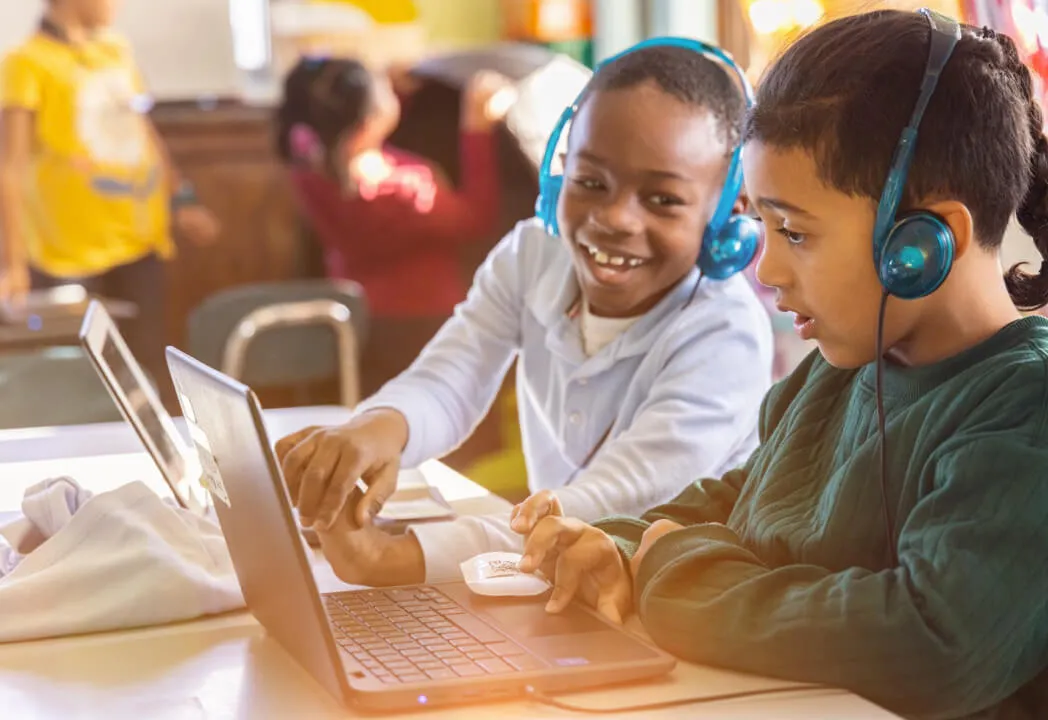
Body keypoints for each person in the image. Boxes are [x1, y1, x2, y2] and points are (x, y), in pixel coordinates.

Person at [513, 10, 1048, 720]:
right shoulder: (841, 369)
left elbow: (934, 640)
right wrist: (615, 545)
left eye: (795, 232)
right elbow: (745, 499)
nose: (768, 269)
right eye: (763, 227)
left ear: (922, 241)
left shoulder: (1023, 412)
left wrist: (668, 573)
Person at [275, 41, 775, 588]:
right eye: (590, 182)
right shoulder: (534, 253)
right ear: (559, 169)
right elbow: (452, 378)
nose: (613, 218)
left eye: (662, 200)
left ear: (731, 214)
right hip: (562, 589)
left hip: (677, 605)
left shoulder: (725, 336)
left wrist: (399, 557)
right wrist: (379, 428)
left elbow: (605, 506)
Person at [0, 0, 219, 379]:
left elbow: (145, 133)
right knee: (79, 379)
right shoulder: (27, 63)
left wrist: (181, 198)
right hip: (68, 254)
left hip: (137, 241)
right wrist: (12, 263)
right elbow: (10, 167)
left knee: (145, 369)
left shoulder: (115, 51)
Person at [275, 57, 514, 395]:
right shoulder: (402, 193)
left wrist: (386, 95)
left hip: (360, 322)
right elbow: (476, 218)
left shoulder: (308, 170)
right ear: (367, 122)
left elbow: (349, 137)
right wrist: (476, 126)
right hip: (424, 327)